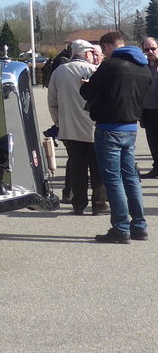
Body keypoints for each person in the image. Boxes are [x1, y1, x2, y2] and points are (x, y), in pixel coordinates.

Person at [80, 31, 152, 243]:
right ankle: (139, 225)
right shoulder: (144, 67)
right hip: (130, 128)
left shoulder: (110, 66)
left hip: (109, 127)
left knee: (113, 179)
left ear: (108, 47)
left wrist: (85, 85)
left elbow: (88, 92)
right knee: (131, 177)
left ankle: (121, 228)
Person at [47, 39, 106, 214]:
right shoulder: (94, 70)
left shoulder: (59, 72)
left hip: (69, 128)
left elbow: (52, 101)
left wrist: (59, 121)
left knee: (77, 167)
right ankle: (99, 204)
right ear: (87, 53)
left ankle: (78, 204)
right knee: (97, 167)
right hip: (94, 127)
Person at [141, 37, 158, 178]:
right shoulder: (143, 67)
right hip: (147, 110)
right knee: (152, 141)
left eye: (153, 48)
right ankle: (156, 167)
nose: (150, 51)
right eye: (147, 49)